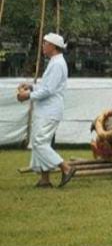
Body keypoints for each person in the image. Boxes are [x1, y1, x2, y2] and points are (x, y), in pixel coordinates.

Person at [16, 33, 75, 188]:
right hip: (46, 109)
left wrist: (27, 95)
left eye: (44, 43)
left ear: (53, 46)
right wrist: (32, 87)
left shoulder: (57, 64)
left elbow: (48, 90)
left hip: (50, 110)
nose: (42, 46)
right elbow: (47, 87)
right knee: (42, 142)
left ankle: (65, 167)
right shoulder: (55, 62)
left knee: (39, 142)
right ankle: (45, 179)